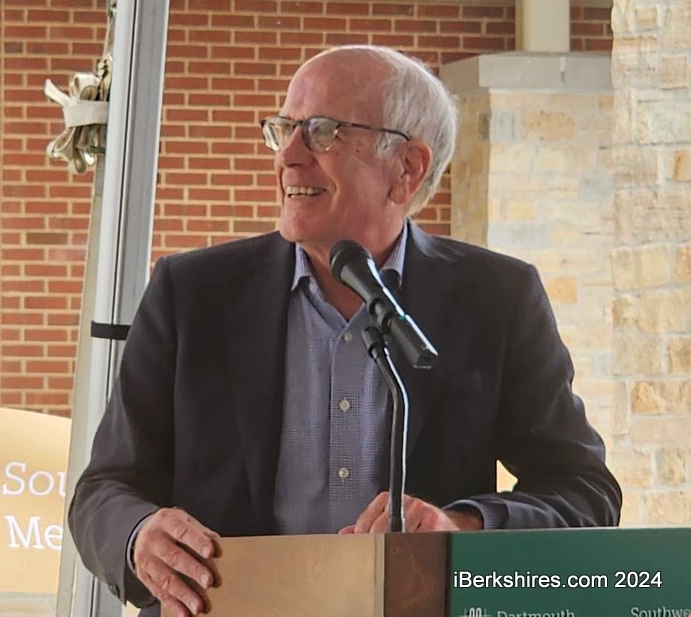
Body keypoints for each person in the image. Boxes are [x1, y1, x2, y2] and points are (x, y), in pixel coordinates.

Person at [66, 45, 622, 617]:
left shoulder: (497, 298)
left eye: (322, 132)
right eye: (284, 129)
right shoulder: (191, 293)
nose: (288, 156)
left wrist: (462, 527)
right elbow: (103, 491)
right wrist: (139, 535)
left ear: (407, 168)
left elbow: (584, 491)